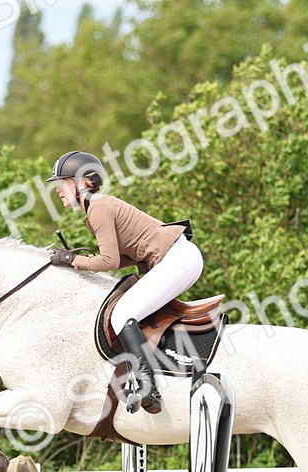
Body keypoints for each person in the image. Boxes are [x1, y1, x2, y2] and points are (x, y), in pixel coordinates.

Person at [46, 150, 202, 414]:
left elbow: (108, 260)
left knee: (122, 314)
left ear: (82, 181)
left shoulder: (99, 207)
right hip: (178, 258)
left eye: (63, 182)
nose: (58, 190)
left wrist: (72, 260)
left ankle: (148, 387)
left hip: (179, 259)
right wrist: (77, 261)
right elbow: (118, 260)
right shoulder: (97, 206)